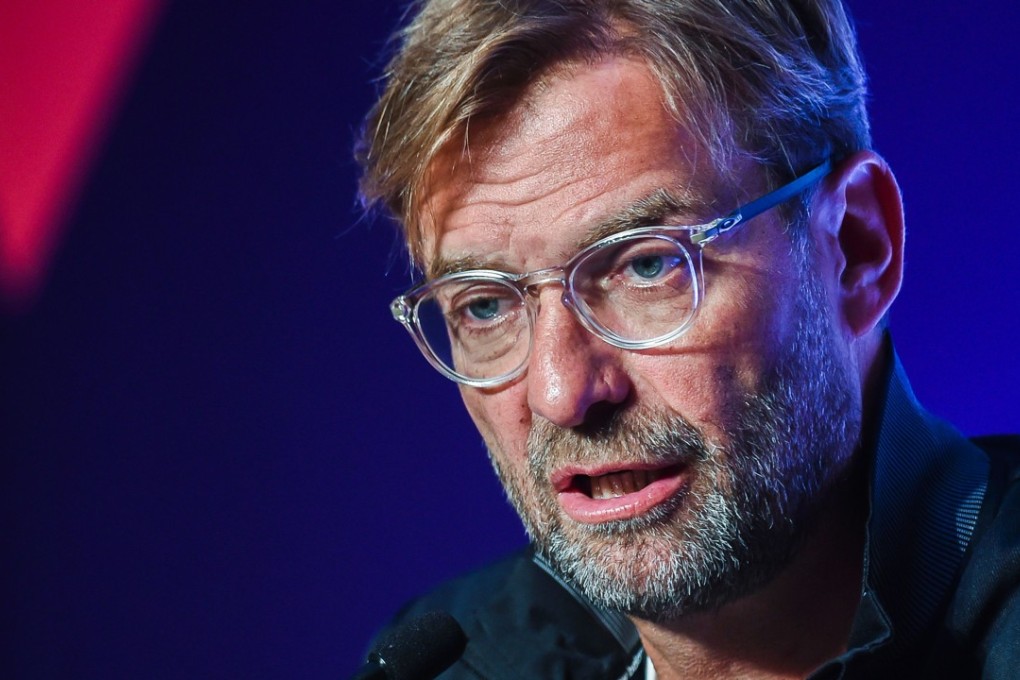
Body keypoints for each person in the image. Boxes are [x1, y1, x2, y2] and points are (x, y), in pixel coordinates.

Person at [355, 1, 1020, 677]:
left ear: (855, 250)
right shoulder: (454, 665)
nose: (561, 393)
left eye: (648, 265)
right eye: (485, 304)